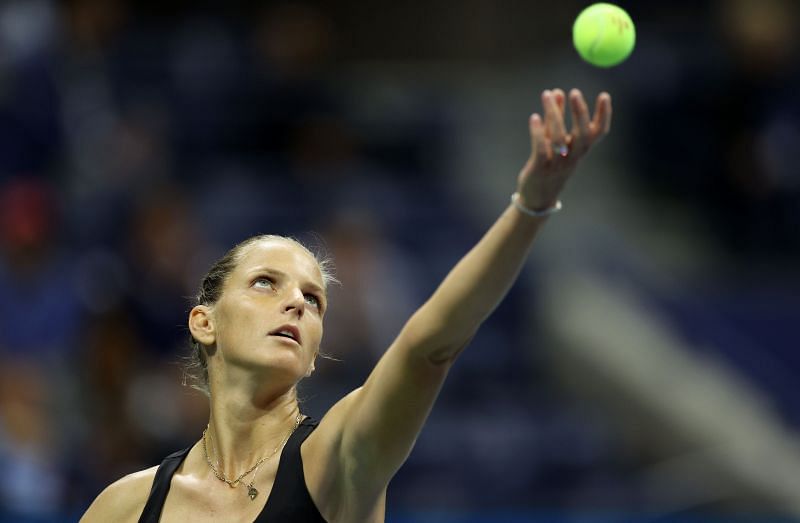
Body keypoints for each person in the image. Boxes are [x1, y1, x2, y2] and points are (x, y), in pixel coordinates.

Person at [81, 87, 612, 523]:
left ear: (313, 356)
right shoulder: (124, 508)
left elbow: (428, 347)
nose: (296, 303)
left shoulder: (335, 458)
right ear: (205, 322)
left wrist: (530, 206)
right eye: (267, 283)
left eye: (313, 300)